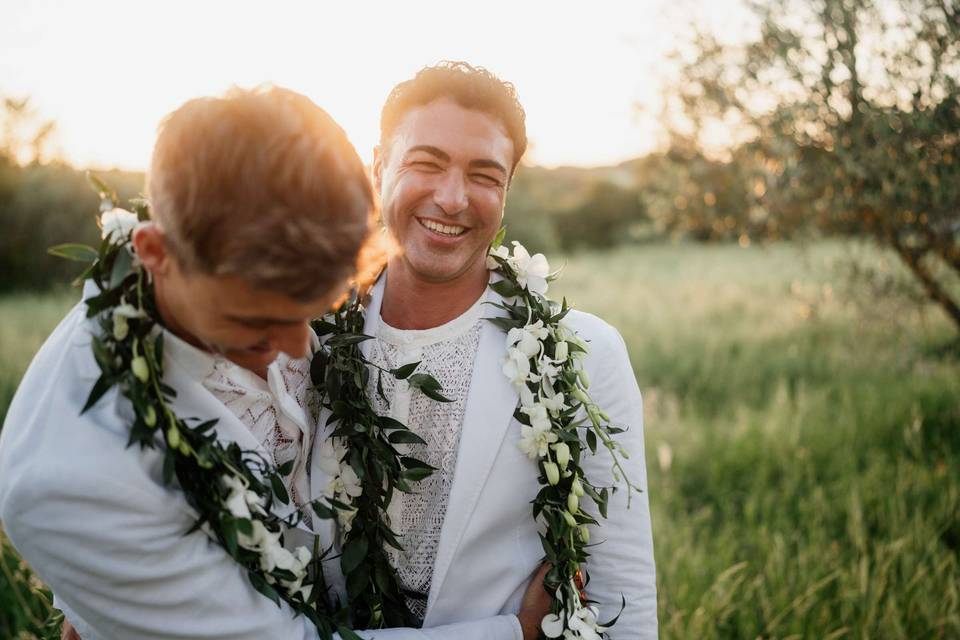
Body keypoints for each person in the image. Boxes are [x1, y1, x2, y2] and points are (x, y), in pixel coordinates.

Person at [0, 86, 549, 640]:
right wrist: (513, 634)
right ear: (156, 254)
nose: (295, 346)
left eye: (314, 306)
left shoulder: (244, 251)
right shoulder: (75, 487)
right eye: (255, 319)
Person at [309, 62, 658, 638]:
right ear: (379, 169)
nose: (452, 199)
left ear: (507, 191)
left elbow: (625, 597)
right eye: (426, 163)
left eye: (484, 175)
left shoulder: (586, 354)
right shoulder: (303, 340)